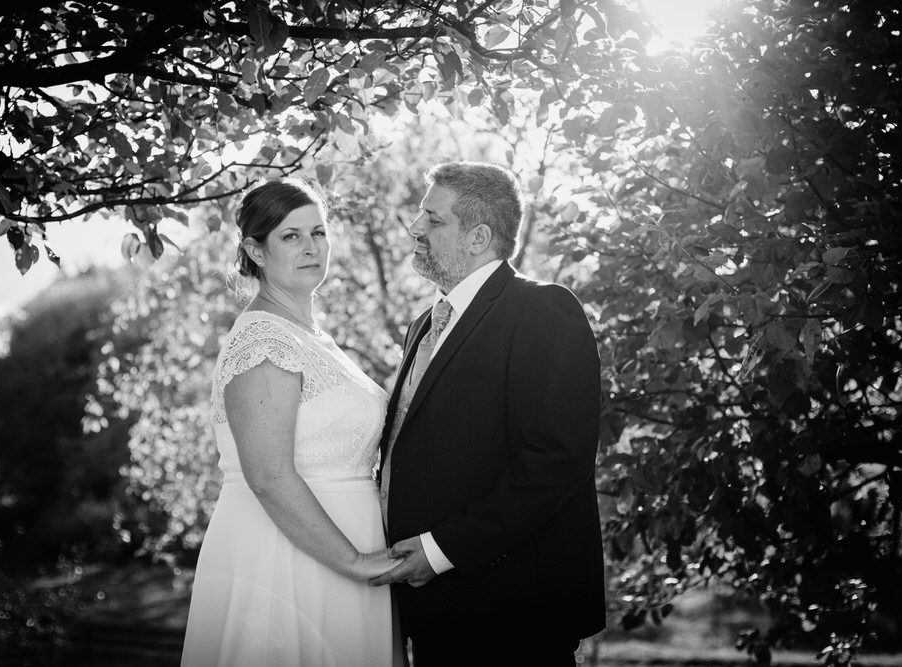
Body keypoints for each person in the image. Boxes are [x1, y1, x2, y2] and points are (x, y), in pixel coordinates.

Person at [371, 162, 605, 666]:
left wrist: (438, 552)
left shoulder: (542, 310)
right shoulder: (422, 327)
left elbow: (554, 461)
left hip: (511, 614)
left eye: (432, 220)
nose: (415, 229)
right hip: (433, 613)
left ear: (478, 236)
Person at [181, 178, 403, 667]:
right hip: (289, 563)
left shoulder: (311, 336)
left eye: (318, 233)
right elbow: (267, 475)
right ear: (254, 251)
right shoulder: (264, 340)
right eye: (290, 236)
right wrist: (355, 562)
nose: (311, 248)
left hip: (344, 557)